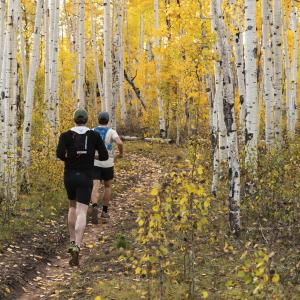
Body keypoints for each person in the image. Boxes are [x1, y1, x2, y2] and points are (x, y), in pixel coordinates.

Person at [56, 108, 108, 266]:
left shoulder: (65, 135)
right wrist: (91, 156)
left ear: (74, 119)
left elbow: (59, 154)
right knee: (82, 211)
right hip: (86, 177)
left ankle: (72, 242)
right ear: (86, 119)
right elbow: (104, 156)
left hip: (69, 176)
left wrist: (70, 159)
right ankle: (78, 245)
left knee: (71, 207)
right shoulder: (93, 135)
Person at [90, 112, 123, 224]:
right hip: (108, 163)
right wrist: (120, 153)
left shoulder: (92, 131)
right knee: (107, 186)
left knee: (95, 185)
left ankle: (94, 206)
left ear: (98, 120)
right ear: (108, 121)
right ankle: (104, 212)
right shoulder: (111, 131)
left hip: (95, 162)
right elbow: (119, 142)